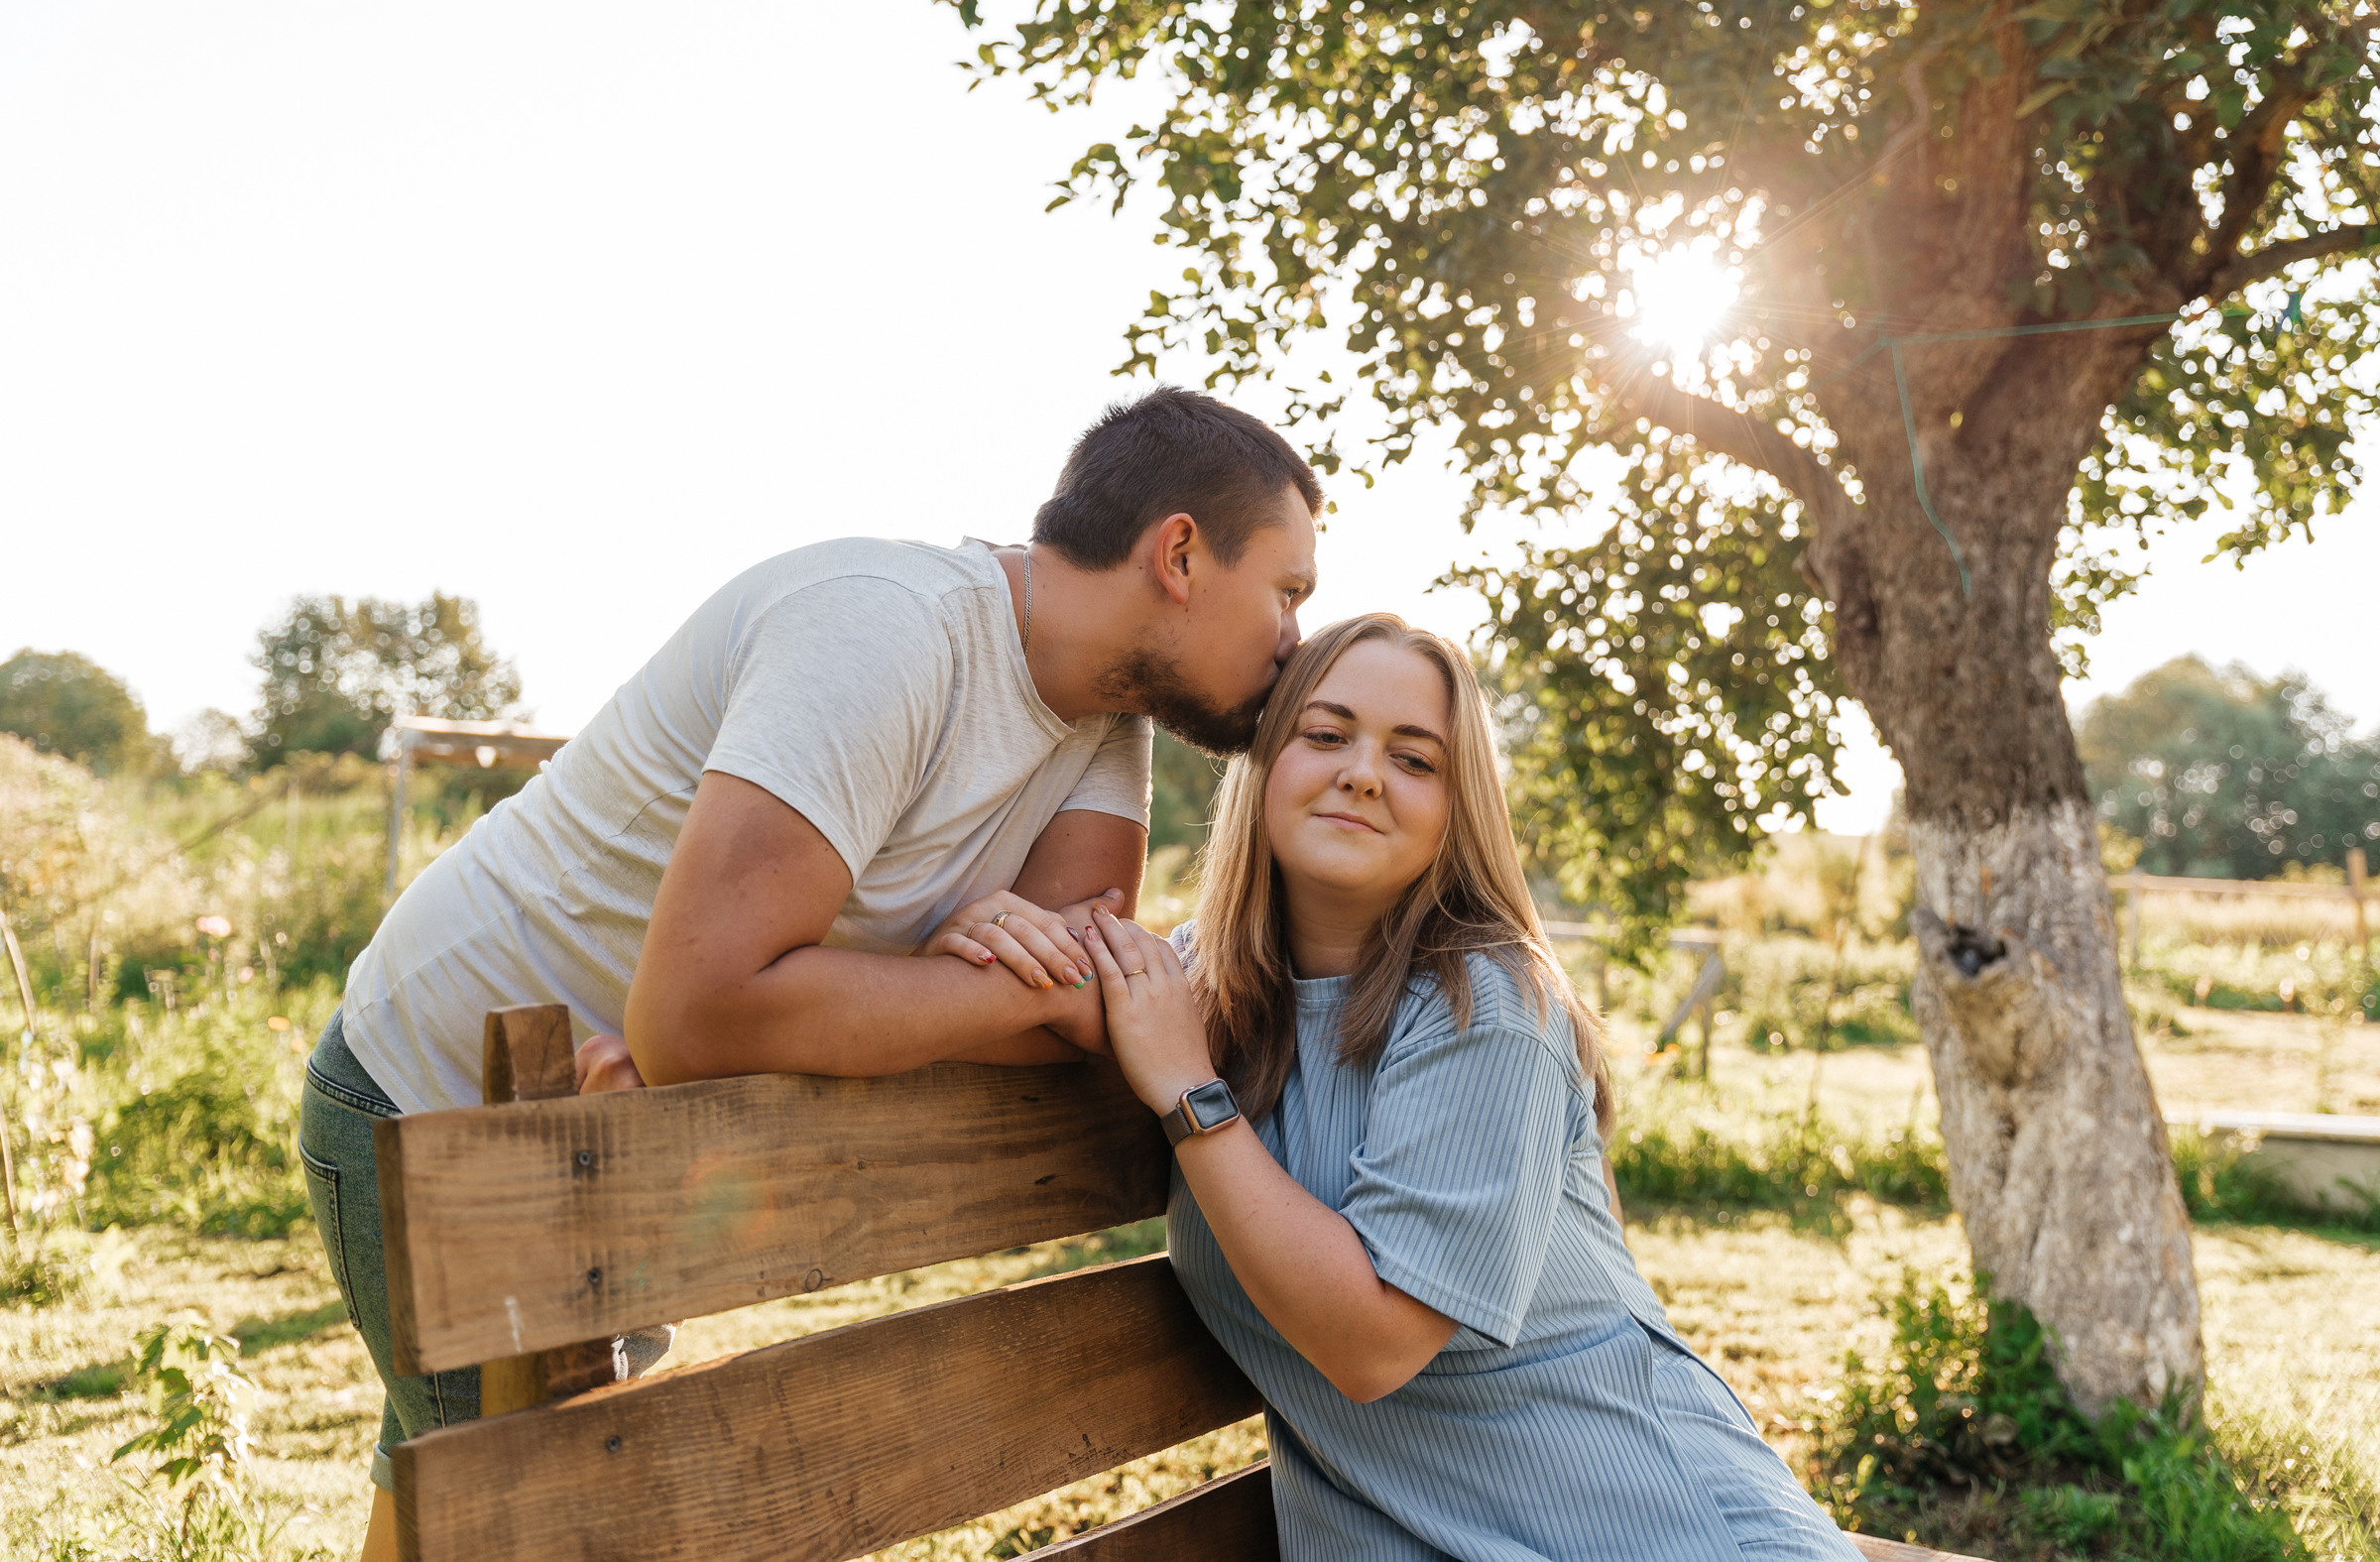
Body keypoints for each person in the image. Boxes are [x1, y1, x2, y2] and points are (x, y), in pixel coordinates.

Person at [296, 387, 1323, 1561]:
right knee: (542, 1523)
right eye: (1288, 590)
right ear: (1181, 552)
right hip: (440, 1097)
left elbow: (1078, 1006)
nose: (1294, 635)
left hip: (613, 1130)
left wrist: (997, 978)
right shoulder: (882, 630)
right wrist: (1004, 972)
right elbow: (700, 1015)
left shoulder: (1107, 718)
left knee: (456, 1494)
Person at [1072, 613, 1862, 1561]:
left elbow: (1374, 1346)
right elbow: (1053, 971)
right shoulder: (1205, 984)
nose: (1364, 772)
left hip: (1655, 1532)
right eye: (1326, 736)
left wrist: (1193, 1096)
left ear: (1458, 808)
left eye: (1415, 760)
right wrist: (1006, 926)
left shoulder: (1482, 1005)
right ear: (1263, 765)